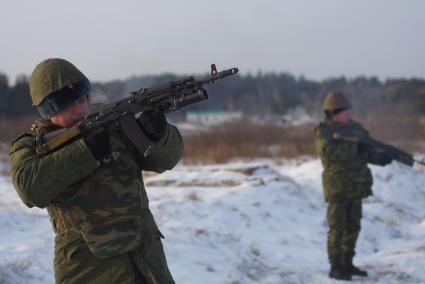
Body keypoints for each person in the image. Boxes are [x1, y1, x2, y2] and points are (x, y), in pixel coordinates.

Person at [9, 58, 184, 284]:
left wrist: (158, 134)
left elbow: (166, 160)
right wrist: (87, 151)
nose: (80, 109)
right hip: (88, 269)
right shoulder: (30, 145)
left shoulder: (111, 126)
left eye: (82, 100)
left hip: (146, 261)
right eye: (70, 104)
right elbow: (29, 188)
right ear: (49, 108)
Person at [314, 91, 391, 281]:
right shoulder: (323, 131)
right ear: (333, 112)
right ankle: (336, 266)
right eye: (344, 111)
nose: (349, 114)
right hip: (338, 187)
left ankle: (348, 262)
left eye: (349, 110)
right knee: (337, 227)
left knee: (353, 226)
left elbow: (366, 151)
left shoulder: (356, 128)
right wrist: (357, 148)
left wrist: (381, 157)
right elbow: (328, 152)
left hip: (356, 184)